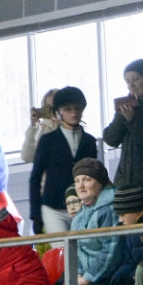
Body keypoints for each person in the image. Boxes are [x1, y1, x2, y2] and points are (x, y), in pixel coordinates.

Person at [28, 86, 97, 235]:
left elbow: (95, 176)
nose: (74, 113)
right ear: (58, 112)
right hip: (53, 207)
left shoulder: (89, 141)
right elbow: (36, 177)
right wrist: (35, 215)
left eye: (78, 109)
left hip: (83, 206)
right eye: (68, 109)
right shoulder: (47, 140)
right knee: (61, 252)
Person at [102, 59, 143, 190]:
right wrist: (122, 115)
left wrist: (133, 120)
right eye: (127, 81)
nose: (131, 85)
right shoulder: (128, 104)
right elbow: (111, 139)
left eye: (135, 79)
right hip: (124, 178)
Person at [20, 89, 59, 165]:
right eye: (49, 107)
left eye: (56, 106)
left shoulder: (73, 127)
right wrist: (34, 126)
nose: (53, 111)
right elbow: (27, 157)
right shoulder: (40, 129)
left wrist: (60, 125)